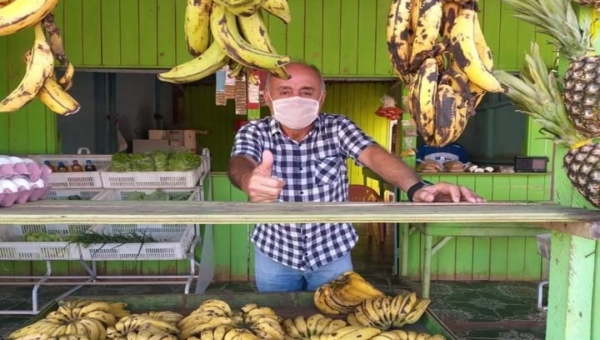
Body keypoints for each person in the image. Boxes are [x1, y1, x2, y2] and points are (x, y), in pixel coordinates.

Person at [228, 62, 484, 293]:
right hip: (275, 254)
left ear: (321, 97)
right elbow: (240, 161)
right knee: (276, 321)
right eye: (284, 91)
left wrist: (416, 187)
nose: (295, 98)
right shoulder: (255, 131)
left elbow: (374, 156)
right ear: (268, 97)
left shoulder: (337, 127)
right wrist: (249, 179)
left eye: (306, 92)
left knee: (338, 324)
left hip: (331, 255)